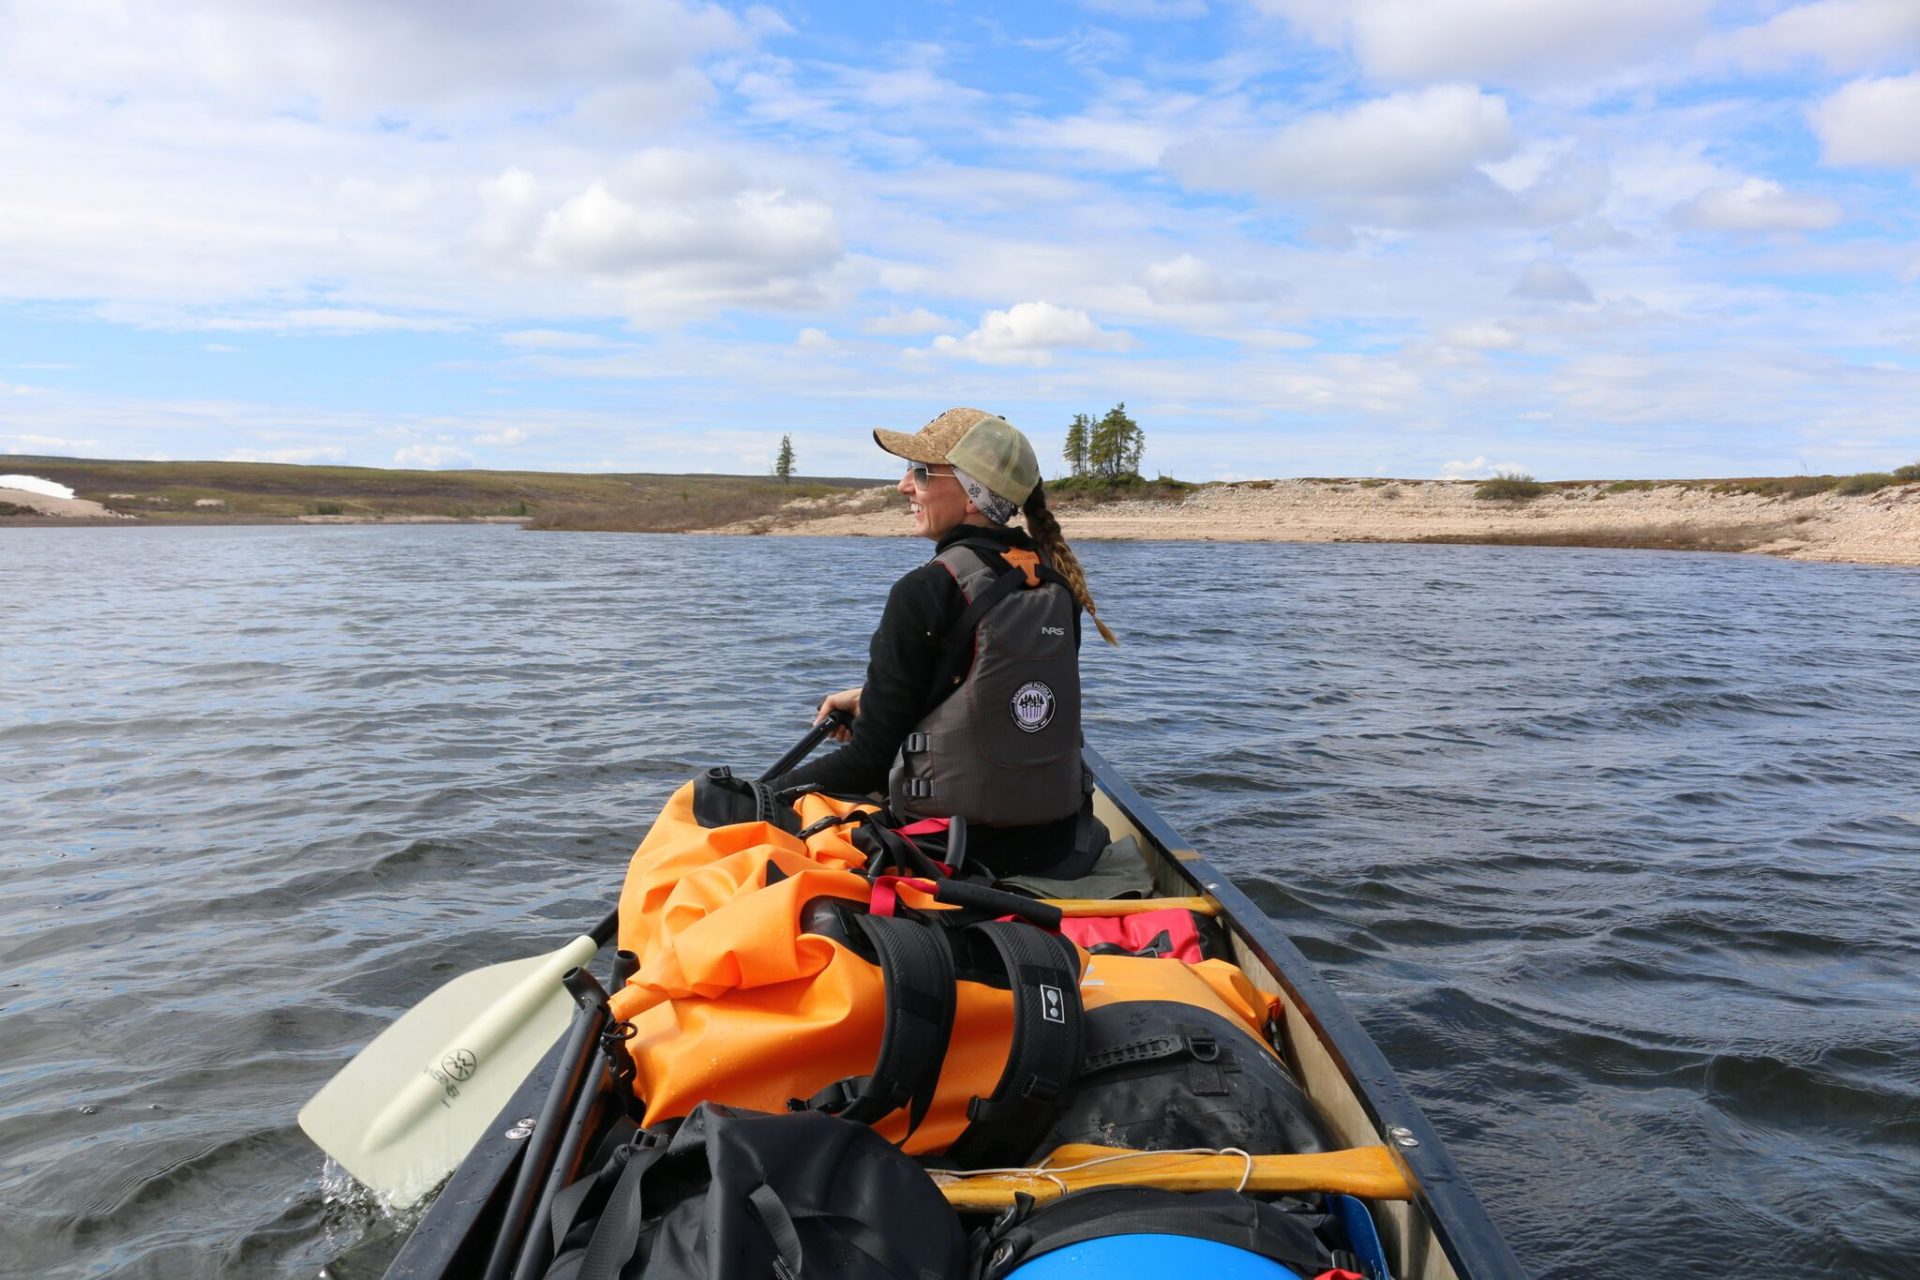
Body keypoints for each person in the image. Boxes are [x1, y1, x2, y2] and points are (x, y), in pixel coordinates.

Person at [770, 408, 1119, 874]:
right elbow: (990, 689)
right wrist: (870, 699)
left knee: (747, 807)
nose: (904, 486)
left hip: (955, 854)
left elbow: (869, 764)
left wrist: (762, 793)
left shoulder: (924, 590)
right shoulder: (1053, 582)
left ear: (973, 494)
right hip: (1058, 844)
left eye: (920, 472)